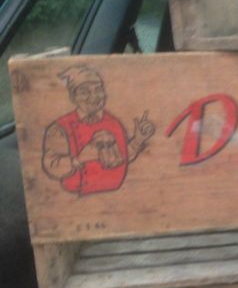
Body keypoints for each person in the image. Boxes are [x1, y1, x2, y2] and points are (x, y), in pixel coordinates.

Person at [42, 65, 154, 196]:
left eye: (98, 90)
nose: (93, 96)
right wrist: (79, 159)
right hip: (78, 201)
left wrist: (138, 140)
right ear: (73, 97)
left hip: (116, 197)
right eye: (84, 92)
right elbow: (51, 166)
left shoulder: (114, 123)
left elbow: (123, 156)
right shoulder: (60, 127)